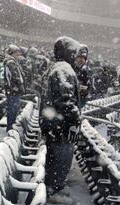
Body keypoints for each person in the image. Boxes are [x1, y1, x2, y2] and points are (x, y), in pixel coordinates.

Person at [40, 36, 81, 196]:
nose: (76, 57)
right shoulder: (63, 69)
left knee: (54, 156)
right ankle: (55, 189)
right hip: (60, 125)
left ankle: (53, 185)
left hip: (52, 124)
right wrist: (75, 120)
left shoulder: (55, 67)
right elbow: (65, 102)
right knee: (61, 157)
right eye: (74, 53)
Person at [3, 44, 25, 131]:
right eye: (17, 52)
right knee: (13, 111)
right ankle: (10, 129)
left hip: (12, 91)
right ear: (12, 53)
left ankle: (10, 128)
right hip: (13, 91)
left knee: (12, 110)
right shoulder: (11, 62)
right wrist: (20, 87)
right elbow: (16, 77)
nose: (18, 54)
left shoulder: (11, 62)